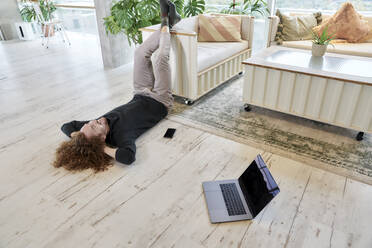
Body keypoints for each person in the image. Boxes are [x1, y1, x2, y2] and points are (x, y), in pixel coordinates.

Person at [54, 0, 181, 172]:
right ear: (103, 138)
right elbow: (128, 157)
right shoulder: (122, 136)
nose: (92, 121)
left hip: (140, 93)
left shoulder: (93, 128)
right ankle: (166, 20)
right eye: (93, 126)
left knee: (139, 53)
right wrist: (101, 148)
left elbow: (66, 126)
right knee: (160, 60)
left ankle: (170, 22)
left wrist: (79, 138)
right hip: (160, 101)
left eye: (88, 124)